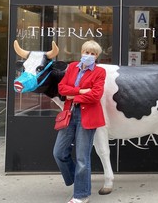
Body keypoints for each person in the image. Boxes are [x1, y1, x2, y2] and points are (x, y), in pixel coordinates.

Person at [53, 40, 106, 203]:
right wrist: (82, 91)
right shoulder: (73, 67)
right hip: (69, 113)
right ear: (81, 52)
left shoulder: (100, 72)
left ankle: (81, 195)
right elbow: (61, 88)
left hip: (87, 116)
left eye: (93, 54)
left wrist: (73, 96)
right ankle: (81, 182)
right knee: (59, 153)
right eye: (86, 52)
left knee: (83, 158)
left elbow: (96, 95)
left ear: (97, 56)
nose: (88, 56)